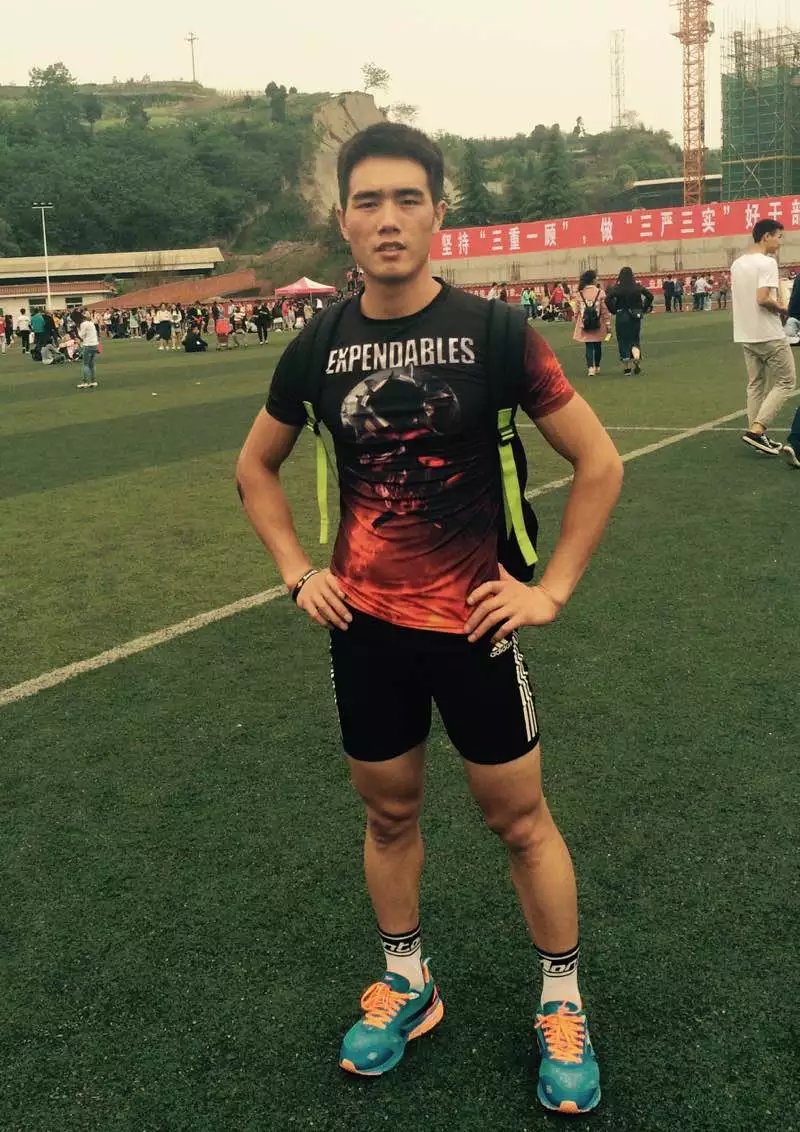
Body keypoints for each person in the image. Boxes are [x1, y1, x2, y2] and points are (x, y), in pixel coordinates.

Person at [236, 121, 623, 1116]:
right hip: (365, 633)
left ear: (438, 213)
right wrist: (296, 573)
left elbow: (599, 462)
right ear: (343, 219)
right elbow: (254, 468)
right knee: (387, 813)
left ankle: (562, 999)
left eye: (407, 198)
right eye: (368, 200)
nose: (388, 218)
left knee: (519, 820)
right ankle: (408, 981)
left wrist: (550, 589)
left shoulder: (495, 333)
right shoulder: (318, 344)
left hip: (474, 626)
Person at [731, 218, 797, 456]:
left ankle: (757, 436)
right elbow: (762, 298)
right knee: (787, 381)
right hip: (768, 333)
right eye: (779, 237)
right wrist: (783, 308)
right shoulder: (767, 263)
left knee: (756, 384)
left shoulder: (737, 264)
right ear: (766, 236)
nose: (780, 242)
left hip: (745, 333)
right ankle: (757, 430)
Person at [605, 267, 654, 375]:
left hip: (621, 315)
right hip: (635, 316)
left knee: (623, 340)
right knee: (634, 340)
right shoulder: (637, 287)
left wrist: (613, 310)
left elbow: (607, 299)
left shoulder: (617, 288)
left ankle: (627, 367)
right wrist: (644, 308)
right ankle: (636, 358)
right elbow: (650, 296)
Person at [573, 270, 610, 376]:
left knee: (588, 346)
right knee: (598, 345)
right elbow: (604, 310)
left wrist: (577, 320)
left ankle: (590, 368)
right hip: (598, 323)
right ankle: (597, 366)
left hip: (585, 323)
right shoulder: (600, 292)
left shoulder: (579, 293)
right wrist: (607, 323)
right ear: (593, 280)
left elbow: (576, 311)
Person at [76, 310, 99, 389]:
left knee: (85, 364)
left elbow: (81, 336)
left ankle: (85, 382)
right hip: (94, 344)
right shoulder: (91, 323)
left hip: (88, 345)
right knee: (92, 364)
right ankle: (93, 381)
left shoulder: (83, 324)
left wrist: (78, 330)